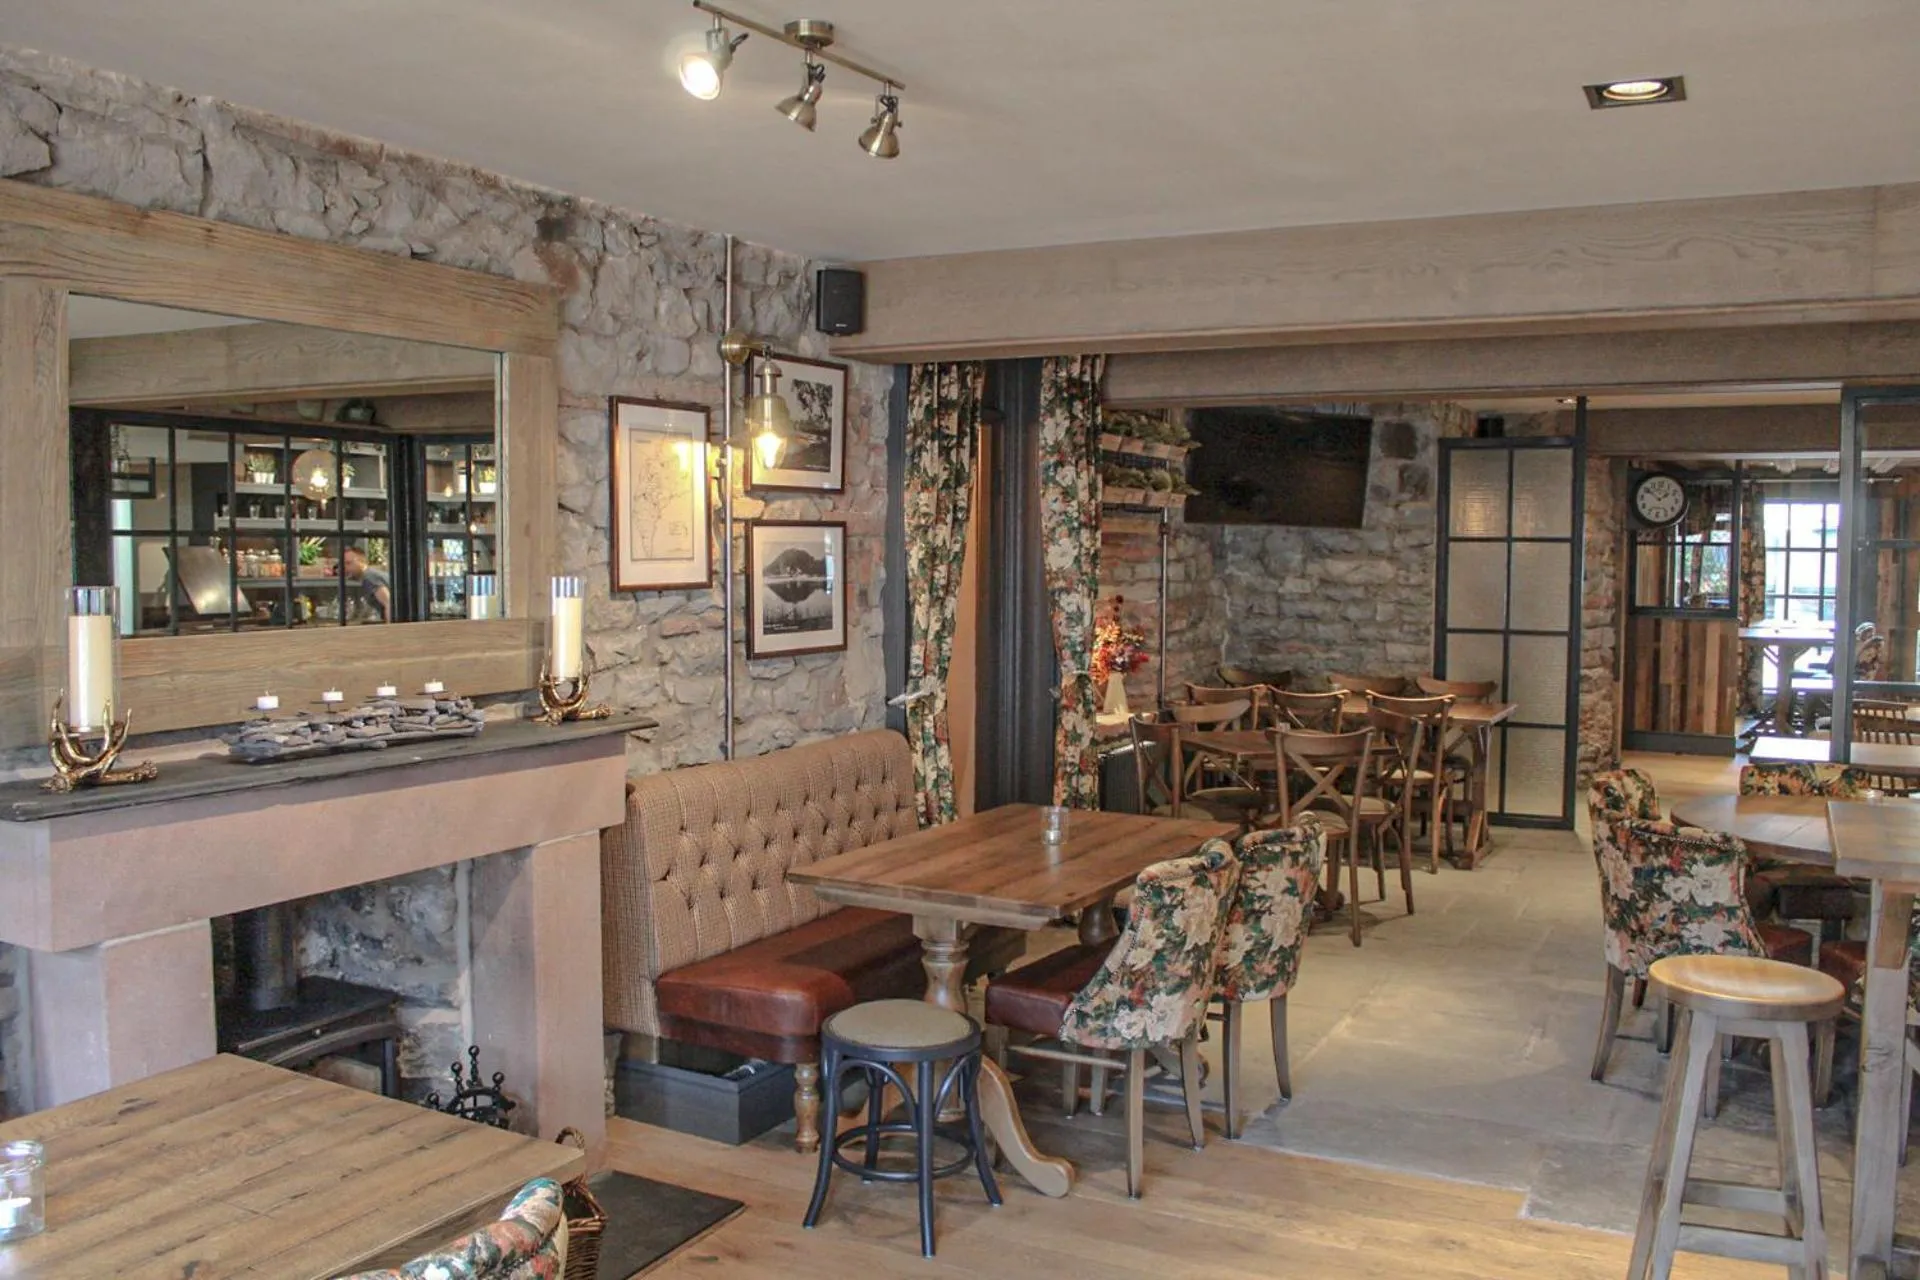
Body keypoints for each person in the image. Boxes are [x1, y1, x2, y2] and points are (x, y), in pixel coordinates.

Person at [342, 542, 391, 623]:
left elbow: (388, 602)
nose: (345, 567)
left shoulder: (369, 577)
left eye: (348, 563)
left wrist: (391, 630)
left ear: (362, 561)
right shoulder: (370, 575)